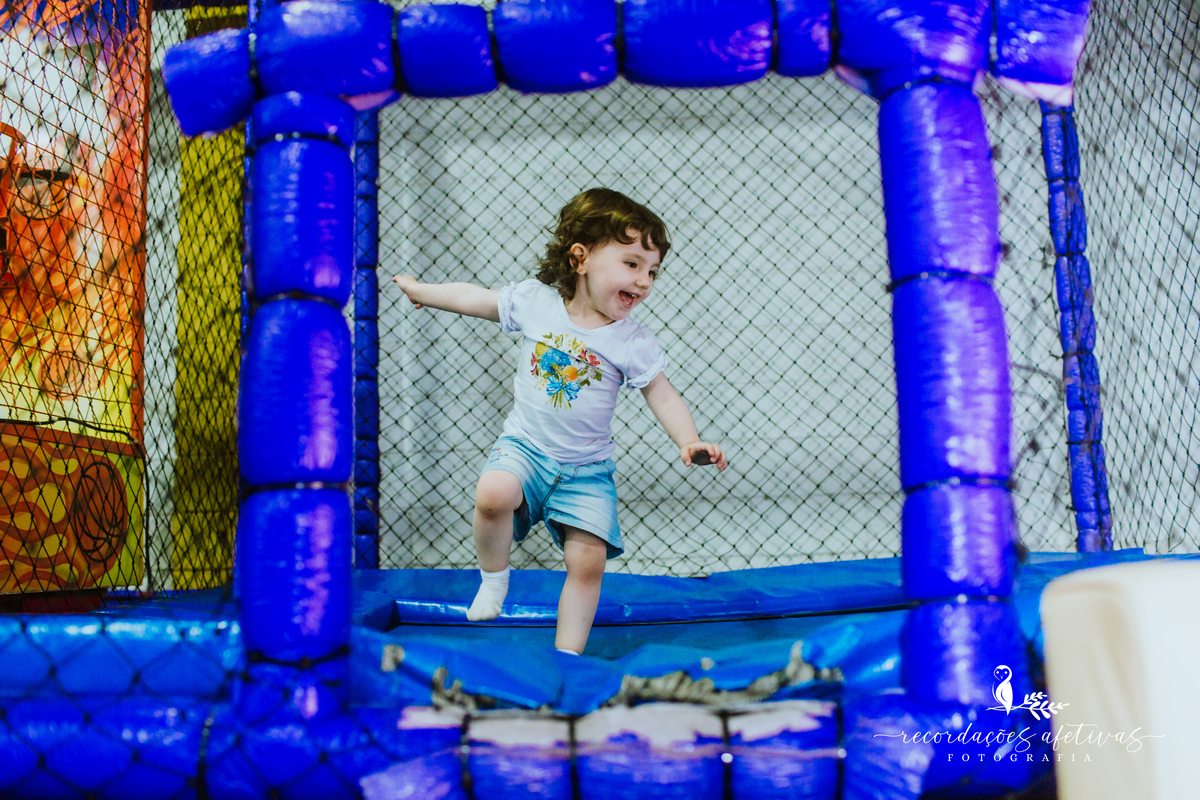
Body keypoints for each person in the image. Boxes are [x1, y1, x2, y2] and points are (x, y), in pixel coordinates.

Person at [391, 187, 727, 656]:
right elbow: (478, 299)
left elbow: (661, 393)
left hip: (587, 469)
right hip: (526, 447)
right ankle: (493, 581)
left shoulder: (632, 340)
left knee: (587, 563)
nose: (645, 281)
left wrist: (688, 440)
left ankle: (567, 656)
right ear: (580, 258)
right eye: (631, 264)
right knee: (493, 494)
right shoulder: (536, 303)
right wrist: (421, 291)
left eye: (653, 271)